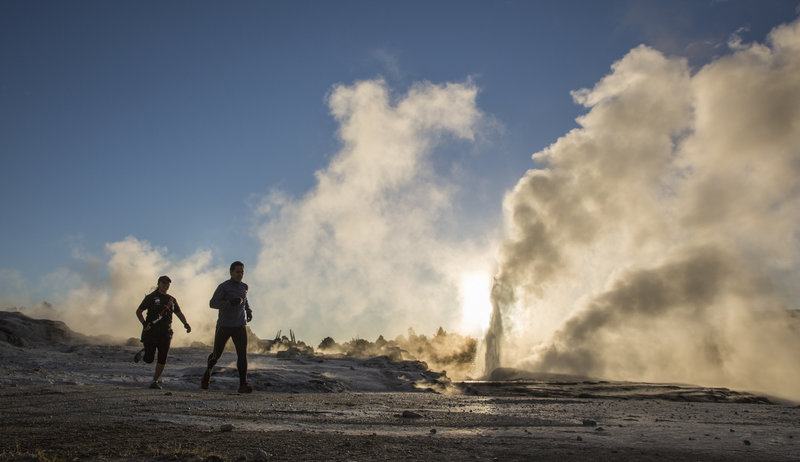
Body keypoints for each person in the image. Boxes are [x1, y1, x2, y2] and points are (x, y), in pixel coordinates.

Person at [202, 261, 253, 393]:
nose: (240, 274)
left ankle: (243, 384)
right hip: (224, 325)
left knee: (242, 355)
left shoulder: (244, 286)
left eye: (242, 272)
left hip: (240, 326)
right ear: (231, 272)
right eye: (237, 272)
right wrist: (229, 303)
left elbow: (245, 300)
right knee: (216, 355)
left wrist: (248, 311)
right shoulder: (224, 287)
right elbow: (212, 303)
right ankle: (208, 372)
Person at [134, 275, 191, 389]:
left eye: (167, 284)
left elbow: (179, 313)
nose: (165, 285)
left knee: (163, 357)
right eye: (163, 283)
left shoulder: (172, 300)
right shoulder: (151, 297)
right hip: (151, 332)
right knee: (150, 359)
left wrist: (186, 324)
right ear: (158, 283)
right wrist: (144, 323)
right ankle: (144, 352)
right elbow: (139, 311)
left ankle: (155, 381)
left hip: (166, 333)